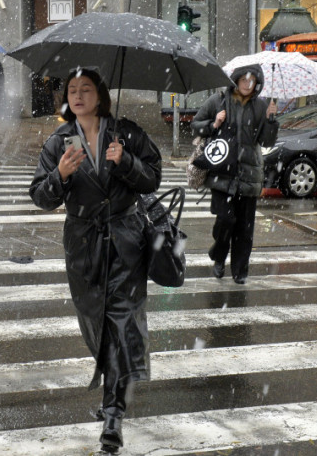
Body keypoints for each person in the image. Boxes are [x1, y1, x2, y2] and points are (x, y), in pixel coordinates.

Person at [29, 68, 162, 454]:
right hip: (84, 247)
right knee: (97, 324)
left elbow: (152, 177)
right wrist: (60, 175)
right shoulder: (58, 140)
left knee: (122, 324)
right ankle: (113, 392)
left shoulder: (127, 132)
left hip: (125, 242)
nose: (78, 95)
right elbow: (40, 196)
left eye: (86, 89)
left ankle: (113, 415)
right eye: (72, 90)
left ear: (100, 95)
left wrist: (126, 163)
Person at [190, 64, 278, 285]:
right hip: (222, 174)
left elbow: (267, 142)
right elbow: (196, 125)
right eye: (244, 80)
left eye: (253, 81)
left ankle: (240, 270)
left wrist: (271, 120)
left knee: (245, 229)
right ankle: (218, 255)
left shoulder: (262, 106)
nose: (248, 84)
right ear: (236, 80)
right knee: (226, 220)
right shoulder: (218, 101)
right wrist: (214, 123)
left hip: (249, 175)